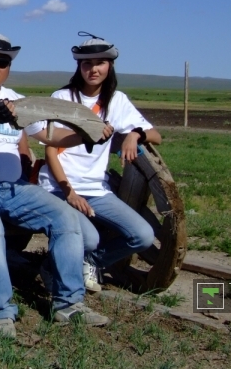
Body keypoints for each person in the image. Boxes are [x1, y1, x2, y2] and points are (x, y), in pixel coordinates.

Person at [0, 33, 113, 337]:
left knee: (65, 217)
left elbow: (51, 137)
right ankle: (2, 312)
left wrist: (89, 135)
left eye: (2, 62)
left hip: (14, 187)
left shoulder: (18, 100)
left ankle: (69, 304)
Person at [40, 32, 160, 292]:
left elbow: (156, 135)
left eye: (100, 63)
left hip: (96, 189)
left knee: (142, 235)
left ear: (110, 65)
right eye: (86, 63)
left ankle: (90, 262)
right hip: (59, 187)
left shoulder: (116, 101)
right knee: (90, 237)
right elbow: (50, 150)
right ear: (78, 66)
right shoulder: (62, 98)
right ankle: (50, 269)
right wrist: (69, 192)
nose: (93, 69)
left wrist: (134, 135)